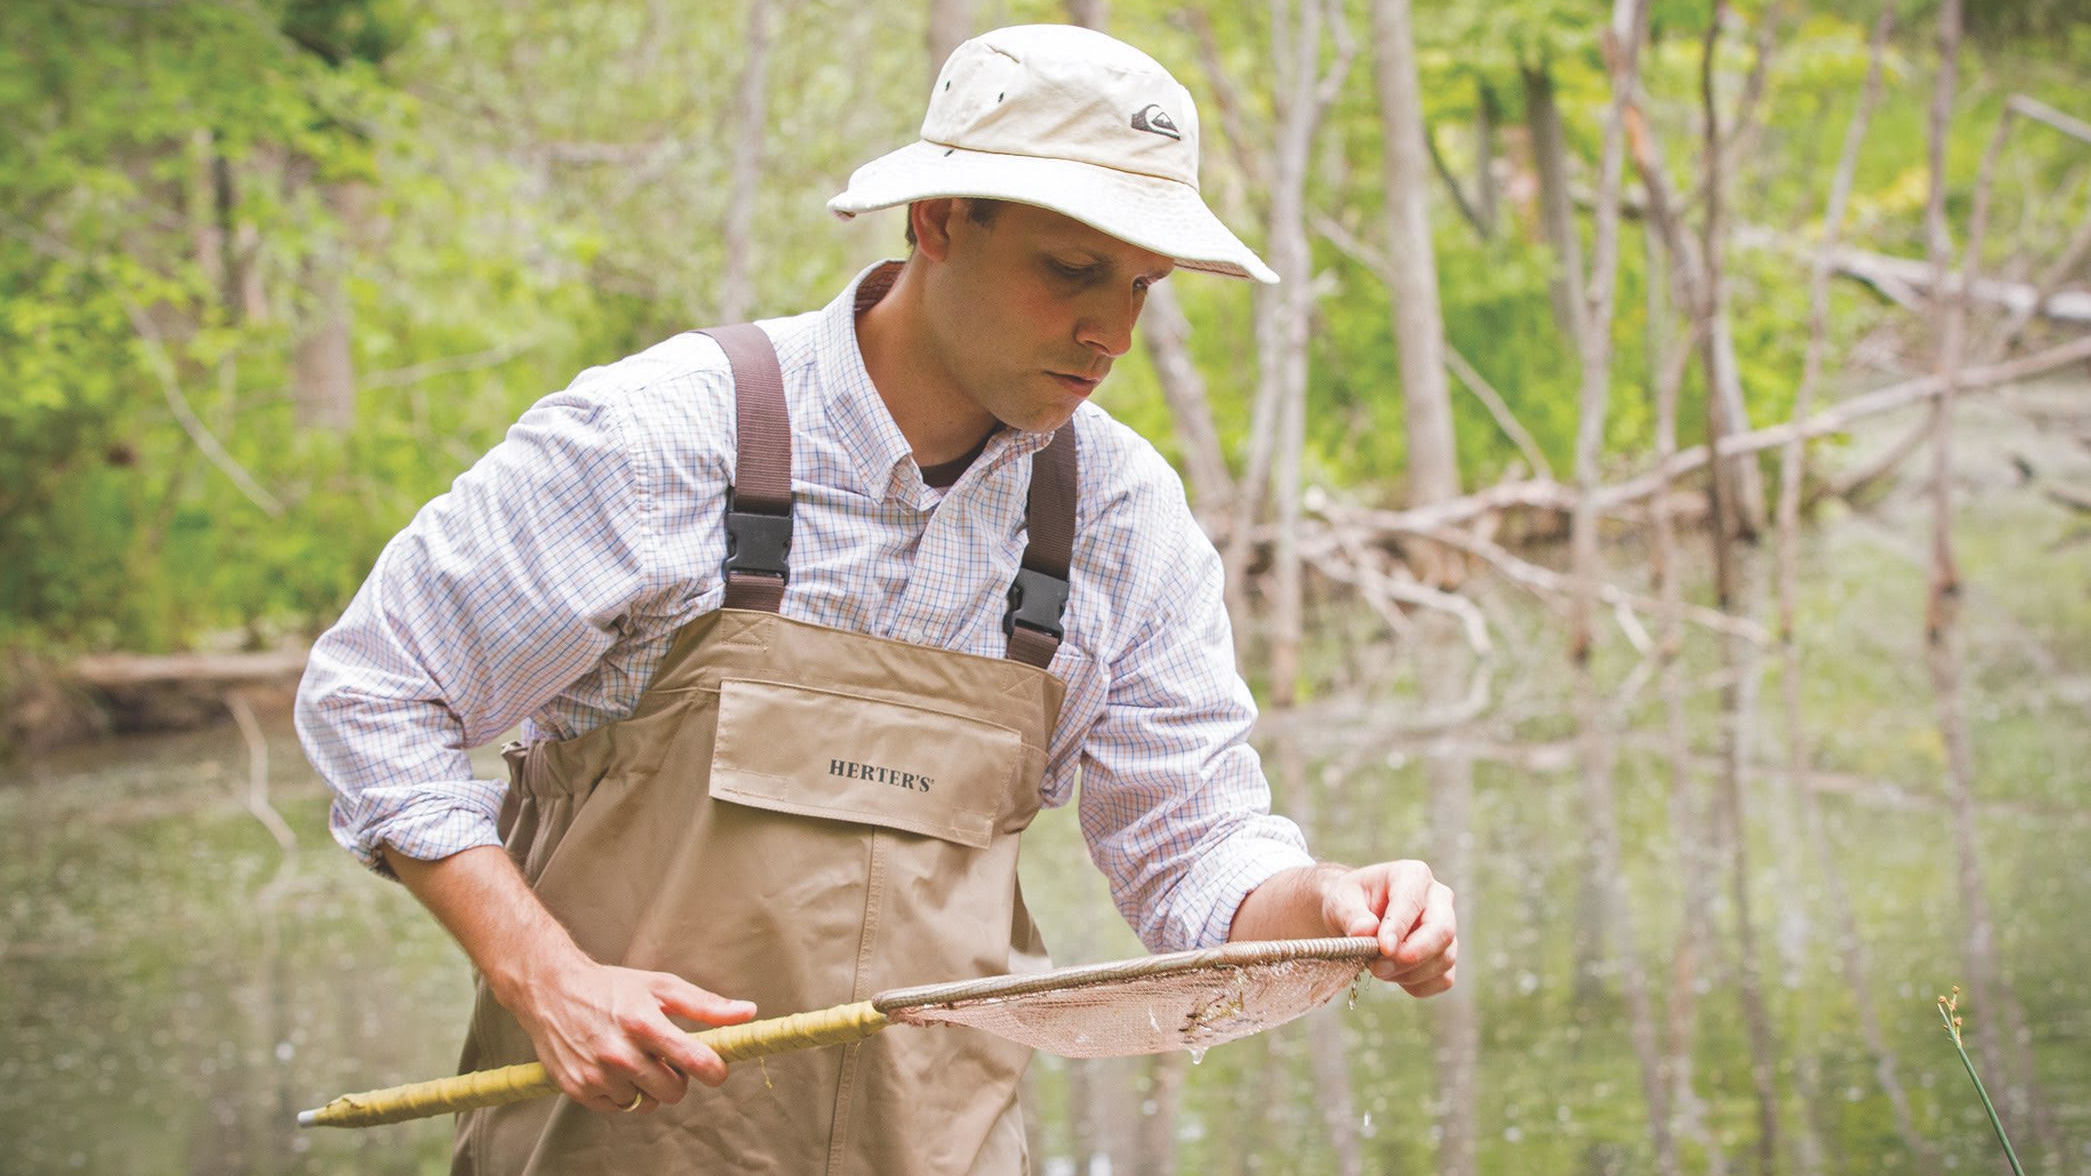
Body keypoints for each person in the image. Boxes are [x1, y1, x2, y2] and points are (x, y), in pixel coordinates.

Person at [297, 22, 1455, 1175]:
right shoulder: (663, 437)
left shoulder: (1120, 518)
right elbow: (377, 695)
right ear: (939, 221)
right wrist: (547, 978)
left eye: (1143, 285)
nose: (1113, 333)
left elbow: (1194, 859)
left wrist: (1333, 905)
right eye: (1072, 270)